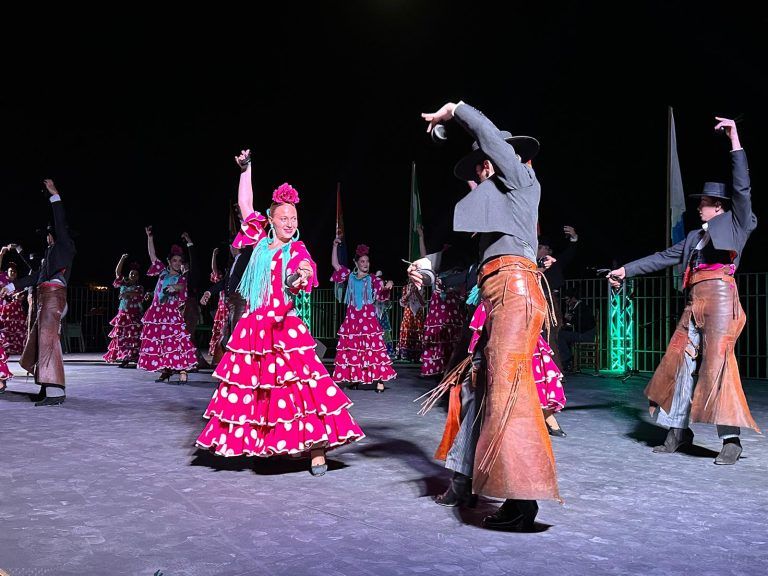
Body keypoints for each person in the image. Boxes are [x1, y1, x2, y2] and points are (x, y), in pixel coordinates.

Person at [412, 101, 559, 530]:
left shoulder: (521, 180)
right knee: (478, 388)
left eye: (484, 163)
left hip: (515, 295)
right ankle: (465, 480)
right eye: (478, 166)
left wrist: (457, 110)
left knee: (507, 392)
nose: (480, 171)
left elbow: (493, 140)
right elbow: (478, 267)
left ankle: (522, 501)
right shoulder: (500, 218)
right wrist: (431, 270)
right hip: (498, 297)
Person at [196, 149, 364, 475]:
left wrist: (300, 275)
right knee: (258, 392)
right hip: (252, 327)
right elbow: (246, 205)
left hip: (283, 327)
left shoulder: (296, 247)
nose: (289, 223)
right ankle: (268, 443)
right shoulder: (258, 237)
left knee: (305, 388)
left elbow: (303, 268)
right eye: (284, 218)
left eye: (294, 219)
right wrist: (246, 169)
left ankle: (317, 450)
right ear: (272, 219)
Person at [608, 117, 758, 465]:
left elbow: (743, 188)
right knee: (679, 361)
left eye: (704, 202)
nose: (699, 206)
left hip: (721, 299)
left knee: (718, 365)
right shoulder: (694, 236)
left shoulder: (736, 222)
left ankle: (731, 440)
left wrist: (735, 139)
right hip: (695, 301)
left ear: (719, 206)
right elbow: (663, 257)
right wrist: (625, 269)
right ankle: (677, 429)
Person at [0, 179, 76, 406]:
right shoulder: (49, 256)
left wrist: (55, 197)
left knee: (47, 340)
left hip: (54, 298)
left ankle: (54, 391)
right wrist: (11, 287)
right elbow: (35, 277)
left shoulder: (64, 246)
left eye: (49, 234)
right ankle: (47, 386)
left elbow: (61, 224)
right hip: (45, 299)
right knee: (40, 341)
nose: (48, 237)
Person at [331, 240, 397, 393]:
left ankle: (379, 379)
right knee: (354, 349)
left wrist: (388, 286)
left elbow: (382, 292)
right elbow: (335, 265)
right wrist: (335, 246)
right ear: (356, 262)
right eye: (362, 261)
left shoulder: (373, 279)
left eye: (367, 261)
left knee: (373, 350)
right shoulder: (350, 276)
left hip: (368, 320)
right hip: (353, 319)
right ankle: (355, 378)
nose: (365, 264)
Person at [137, 227, 198, 383]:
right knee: (160, 342)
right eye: (174, 260)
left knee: (177, 341)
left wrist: (173, 288)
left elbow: (181, 288)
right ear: (169, 261)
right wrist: (149, 237)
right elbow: (152, 256)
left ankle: (183, 370)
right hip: (157, 312)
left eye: (180, 261)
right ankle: (166, 369)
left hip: (170, 313)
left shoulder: (181, 278)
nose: (177, 263)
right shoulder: (163, 272)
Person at [103, 254, 145, 368]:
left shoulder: (140, 287)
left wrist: (127, 294)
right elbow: (117, 272)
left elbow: (139, 295)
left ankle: (136, 357)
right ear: (129, 275)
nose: (133, 275)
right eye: (132, 273)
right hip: (123, 315)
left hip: (135, 315)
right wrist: (122, 258)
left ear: (138, 277)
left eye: (136, 274)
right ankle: (125, 357)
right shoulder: (123, 284)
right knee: (122, 337)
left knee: (135, 336)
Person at [557, 287, 596, 372]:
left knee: (561, 335)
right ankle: (567, 359)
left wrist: (570, 319)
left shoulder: (582, 308)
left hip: (586, 335)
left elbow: (582, 323)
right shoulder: (577, 308)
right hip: (583, 333)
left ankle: (567, 358)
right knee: (563, 335)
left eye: (567, 299)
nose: (566, 302)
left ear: (573, 298)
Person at [0, 246, 29, 354]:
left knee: (18, 333)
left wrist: (20, 297)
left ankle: (12, 351)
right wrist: (1, 255)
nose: (13, 273)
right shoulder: (3, 279)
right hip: (3, 311)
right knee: (3, 332)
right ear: (6, 272)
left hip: (15, 314)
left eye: (15, 272)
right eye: (11, 271)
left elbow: (22, 296)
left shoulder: (18, 283)